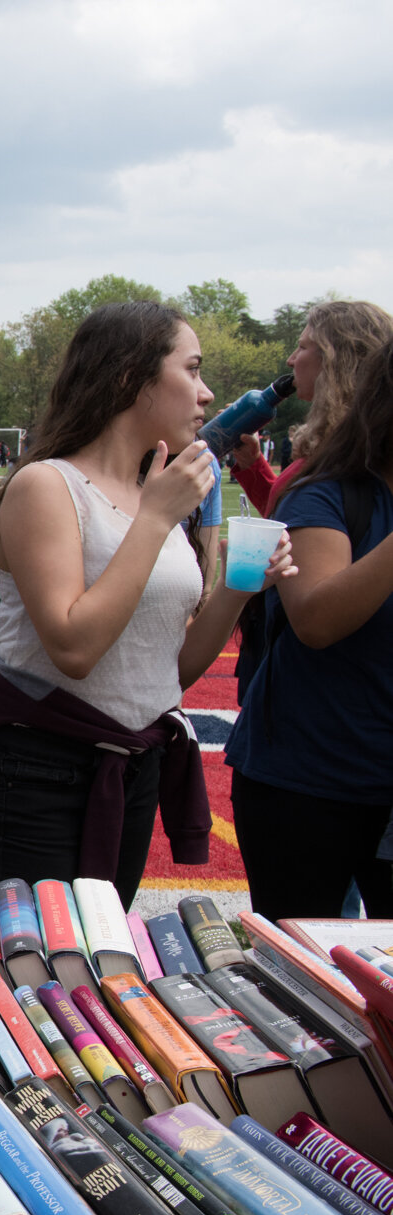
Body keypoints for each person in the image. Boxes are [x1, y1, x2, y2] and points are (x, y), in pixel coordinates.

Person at [0, 301, 293, 907]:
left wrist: (237, 587)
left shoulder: (149, 491)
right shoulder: (49, 486)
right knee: (29, 982)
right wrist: (155, 519)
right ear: (131, 377)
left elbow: (164, 672)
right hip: (34, 771)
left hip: (130, 770)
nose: (207, 395)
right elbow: (73, 648)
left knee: (92, 973)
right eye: (193, 369)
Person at [226, 337, 393, 918]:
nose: (291, 361)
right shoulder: (323, 489)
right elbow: (317, 620)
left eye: (305, 348)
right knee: (302, 980)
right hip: (312, 781)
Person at [231, 302, 393, 516]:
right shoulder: (345, 445)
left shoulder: (358, 456)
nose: (291, 360)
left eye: (302, 347)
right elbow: (296, 518)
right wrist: (252, 463)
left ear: (336, 359)